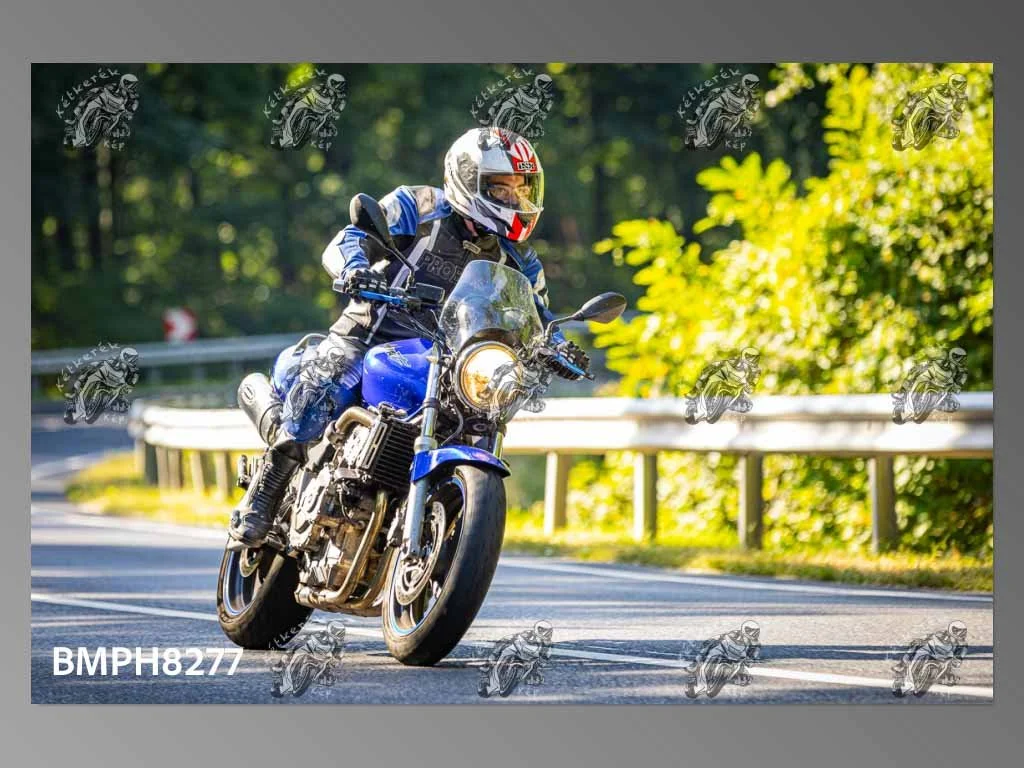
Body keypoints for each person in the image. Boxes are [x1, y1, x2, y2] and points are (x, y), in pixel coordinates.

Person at [230, 126, 589, 546]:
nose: (514, 199)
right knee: (325, 386)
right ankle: (265, 494)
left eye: (521, 189)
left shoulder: (520, 260)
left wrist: (556, 346)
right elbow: (350, 239)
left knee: (480, 416)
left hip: (446, 362)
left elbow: (538, 315)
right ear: (467, 179)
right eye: (500, 187)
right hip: (369, 335)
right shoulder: (418, 207)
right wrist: (355, 269)